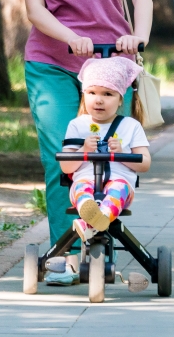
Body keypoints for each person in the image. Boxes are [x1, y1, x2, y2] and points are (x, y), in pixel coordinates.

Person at [22, 0, 154, 285]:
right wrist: (71, 37)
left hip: (110, 66)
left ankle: (99, 248)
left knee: (112, 158)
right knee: (65, 155)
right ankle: (66, 254)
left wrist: (138, 36)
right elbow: (36, 10)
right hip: (53, 62)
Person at [62, 57, 151, 242]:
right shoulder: (77, 125)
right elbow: (66, 167)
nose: (99, 100)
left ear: (120, 99)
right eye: (92, 92)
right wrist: (83, 150)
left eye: (108, 94)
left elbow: (145, 163)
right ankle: (93, 215)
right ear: (84, 95)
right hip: (85, 182)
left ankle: (94, 222)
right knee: (81, 189)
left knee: (117, 188)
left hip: (119, 184)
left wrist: (123, 154)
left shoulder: (130, 126)